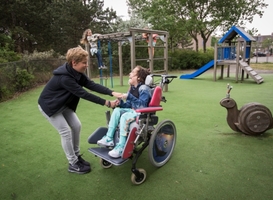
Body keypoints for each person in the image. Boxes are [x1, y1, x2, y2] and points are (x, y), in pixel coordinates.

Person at [38, 46, 123, 174]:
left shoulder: (77, 73)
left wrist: (111, 92)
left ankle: (77, 156)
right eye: (84, 63)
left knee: (76, 126)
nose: (86, 65)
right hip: (51, 106)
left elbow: (91, 85)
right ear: (74, 62)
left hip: (63, 104)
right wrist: (107, 103)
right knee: (65, 132)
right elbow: (83, 93)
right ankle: (73, 163)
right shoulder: (65, 78)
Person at [97, 65, 151, 158]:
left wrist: (129, 97)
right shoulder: (131, 88)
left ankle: (121, 146)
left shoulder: (144, 88)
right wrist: (120, 103)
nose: (130, 73)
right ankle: (109, 138)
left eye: (133, 72)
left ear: (138, 77)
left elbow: (142, 106)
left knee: (124, 116)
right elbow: (128, 105)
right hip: (132, 110)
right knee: (117, 110)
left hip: (140, 113)